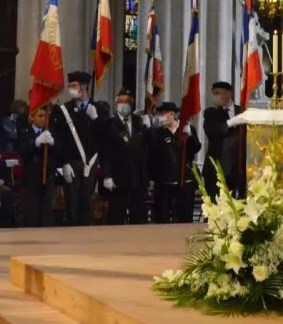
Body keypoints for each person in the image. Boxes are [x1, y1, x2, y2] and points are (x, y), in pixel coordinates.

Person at [55, 71, 103, 226]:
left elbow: (106, 135)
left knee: (86, 203)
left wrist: (96, 119)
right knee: (72, 205)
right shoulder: (64, 110)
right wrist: (63, 163)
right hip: (73, 162)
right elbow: (60, 138)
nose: (71, 89)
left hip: (90, 163)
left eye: (74, 86)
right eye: (70, 86)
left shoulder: (98, 109)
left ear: (84, 88)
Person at [101, 89, 150, 225]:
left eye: (126, 101)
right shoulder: (109, 123)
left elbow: (147, 148)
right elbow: (105, 152)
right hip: (117, 179)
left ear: (131, 104)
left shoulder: (139, 122)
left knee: (139, 217)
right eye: (121, 102)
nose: (124, 104)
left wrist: (149, 130)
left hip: (137, 179)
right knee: (116, 217)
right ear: (116, 103)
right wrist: (107, 175)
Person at [147, 102, 200, 224]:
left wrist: (190, 136)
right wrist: (151, 129)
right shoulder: (159, 132)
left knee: (184, 216)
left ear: (172, 114)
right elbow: (152, 150)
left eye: (163, 113)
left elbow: (195, 148)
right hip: (164, 181)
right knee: (162, 216)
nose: (160, 116)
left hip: (183, 179)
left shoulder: (187, 129)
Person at [201, 81, 245, 199]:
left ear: (228, 94)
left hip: (238, 169)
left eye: (218, 93)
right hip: (216, 169)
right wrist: (231, 122)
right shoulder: (211, 113)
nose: (215, 97)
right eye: (213, 94)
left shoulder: (242, 111)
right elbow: (212, 130)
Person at [18, 105, 57, 228]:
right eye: (40, 116)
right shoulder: (25, 132)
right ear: (32, 117)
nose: (43, 119)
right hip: (31, 179)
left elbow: (59, 152)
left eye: (45, 116)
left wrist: (53, 144)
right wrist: (35, 142)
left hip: (47, 177)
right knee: (32, 214)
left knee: (46, 213)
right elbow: (23, 151)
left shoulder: (50, 132)